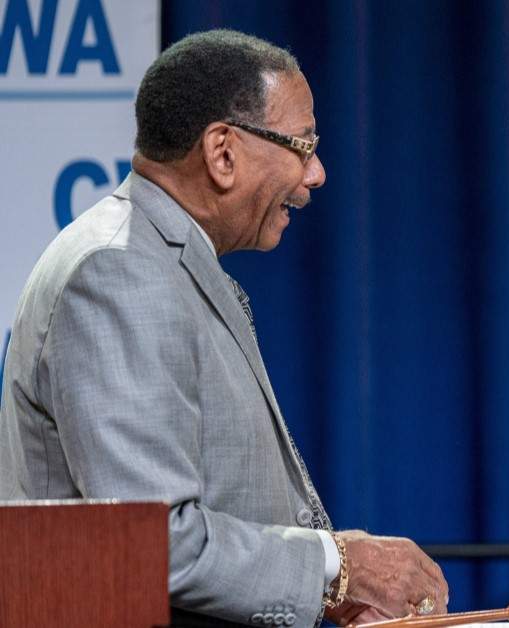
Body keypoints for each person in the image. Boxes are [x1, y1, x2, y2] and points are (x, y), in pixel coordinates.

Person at [0, 30, 447, 627]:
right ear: (222, 152)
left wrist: (332, 585)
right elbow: (155, 541)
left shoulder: (165, 263)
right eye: (303, 145)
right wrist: (337, 567)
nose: (316, 174)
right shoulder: (120, 271)